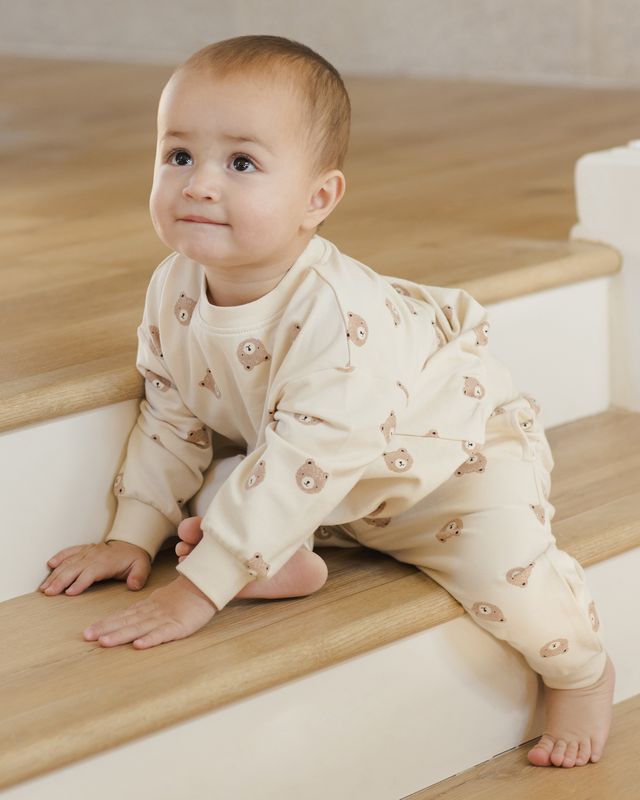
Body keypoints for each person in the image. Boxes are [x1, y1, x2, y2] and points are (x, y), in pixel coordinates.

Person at [38, 35, 615, 769]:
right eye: (178, 155)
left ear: (319, 199)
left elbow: (309, 453)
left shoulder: (338, 317)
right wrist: (132, 532)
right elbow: (171, 412)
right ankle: (286, 557)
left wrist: (199, 591)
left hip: (450, 472)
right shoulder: (173, 286)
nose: (199, 185)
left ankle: (584, 673)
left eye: (241, 163)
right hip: (321, 479)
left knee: (513, 580)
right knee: (222, 493)